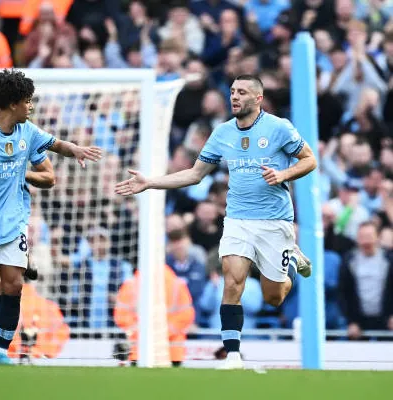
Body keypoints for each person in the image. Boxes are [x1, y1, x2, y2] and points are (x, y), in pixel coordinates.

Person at [115, 74, 317, 369]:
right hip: (237, 218)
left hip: (274, 220)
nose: (235, 97)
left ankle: (292, 261)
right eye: (233, 91)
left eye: (243, 92)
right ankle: (233, 355)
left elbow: (309, 160)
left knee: (273, 296)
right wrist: (150, 183)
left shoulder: (279, 128)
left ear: (258, 99)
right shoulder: (222, 133)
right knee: (232, 280)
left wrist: (283, 175)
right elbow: (195, 174)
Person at [0, 69, 102, 365]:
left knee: (13, 285)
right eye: (27, 101)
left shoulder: (27, 132)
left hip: (14, 222)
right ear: (12, 104)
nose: (31, 106)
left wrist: (76, 150)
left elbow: (58, 147)